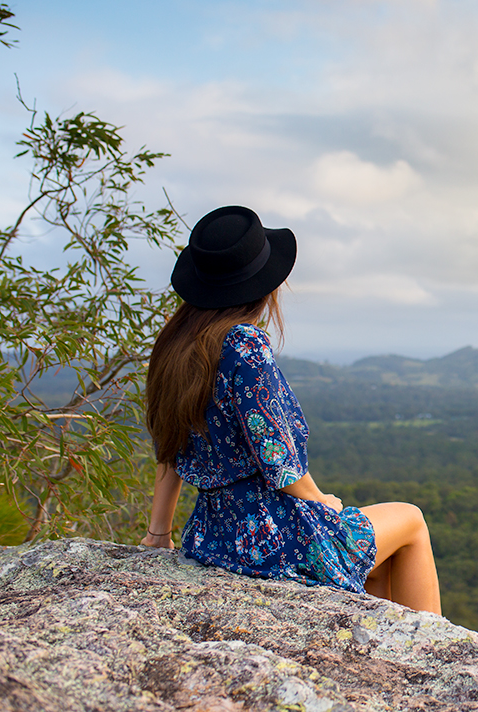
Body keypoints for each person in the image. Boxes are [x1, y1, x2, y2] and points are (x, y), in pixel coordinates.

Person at [140, 205, 440, 614]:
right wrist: (323, 500)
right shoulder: (244, 347)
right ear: (262, 287)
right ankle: (424, 652)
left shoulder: (174, 349)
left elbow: (170, 449)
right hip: (272, 540)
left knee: (374, 555)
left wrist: (158, 533)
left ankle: (387, 641)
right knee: (411, 519)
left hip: (212, 537)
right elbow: (279, 461)